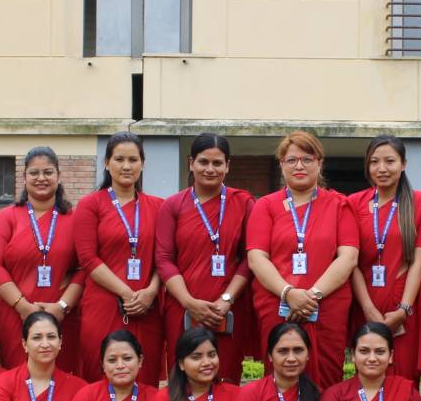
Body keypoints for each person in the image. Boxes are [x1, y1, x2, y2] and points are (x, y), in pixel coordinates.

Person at [246, 131, 360, 387]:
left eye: (307, 159)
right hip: (277, 303)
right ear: (281, 165)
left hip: (326, 305)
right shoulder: (265, 206)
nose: (299, 166)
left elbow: (348, 257)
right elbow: (256, 258)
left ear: (319, 163)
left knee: (326, 381)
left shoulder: (339, 205)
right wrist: (288, 293)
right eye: (292, 160)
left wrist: (312, 297)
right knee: (280, 377)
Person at [155, 133, 256, 384]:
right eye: (203, 162)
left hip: (228, 308)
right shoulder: (173, 205)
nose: (210, 169)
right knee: (184, 378)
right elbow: (164, 259)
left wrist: (227, 299)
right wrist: (188, 302)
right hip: (182, 307)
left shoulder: (243, 203)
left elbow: (250, 258)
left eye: (217, 163)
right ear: (191, 163)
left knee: (225, 377)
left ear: (227, 166)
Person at [75, 133, 166, 381]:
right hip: (104, 303)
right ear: (107, 163)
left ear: (143, 163)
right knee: (101, 376)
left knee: (144, 377)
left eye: (133, 160)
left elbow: (164, 257)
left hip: (146, 306)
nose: (126, 166)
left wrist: (151, 292)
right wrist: (126, 293)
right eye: (119, 159)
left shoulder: (158, 206)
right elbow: (87, 258)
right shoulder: (90, 204)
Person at [0, 146, 84, 372]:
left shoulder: (75, 219)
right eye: (34, 173)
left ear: (58, 176)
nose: (41, 178)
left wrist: (62, 306)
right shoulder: (6, 217)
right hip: (15, 313)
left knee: (62, 378)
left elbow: (85, 267)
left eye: (48, 172)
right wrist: (22, 306)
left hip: (61, 315)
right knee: (18, 376)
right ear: (24, 177)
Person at [348, 135, 421, 381]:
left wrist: (404, 309)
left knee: (403, 375)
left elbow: (418, 261)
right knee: (368, 372)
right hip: (365, 299)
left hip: (404, 304)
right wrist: (367, 308)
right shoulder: (353, 203)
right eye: (374, 162)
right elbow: (350, 261)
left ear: (403, 164)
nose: (382, 168)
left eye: (390, 161)